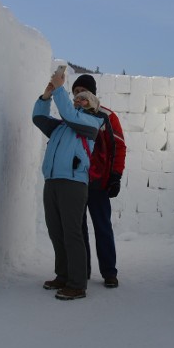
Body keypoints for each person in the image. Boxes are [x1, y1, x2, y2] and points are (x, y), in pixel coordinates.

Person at [32, 69, 103, 301]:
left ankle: (77, 284)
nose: (79, 99)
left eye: (84, 97)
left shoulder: (91, 122)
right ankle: (62, 276)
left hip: (73, 183)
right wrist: (46, 96)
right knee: (56, 231)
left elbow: (70, 114)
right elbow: (39, 119)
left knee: (72, 233)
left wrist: (60, 88)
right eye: (76, 97)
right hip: (52, 181)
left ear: (92, 104)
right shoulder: (63, 126)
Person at [71, 74, 126, 289]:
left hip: (98, 183)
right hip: (75, 182)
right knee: (79, 228)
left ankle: (109, 272)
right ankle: (81, 271)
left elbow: (118, 146)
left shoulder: (106, 116)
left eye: (83, 91)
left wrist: (115, 176)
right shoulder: (71, 115)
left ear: (92, 93)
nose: (79, 95)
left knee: (102, 227)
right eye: (75, 91)